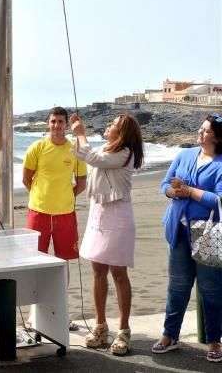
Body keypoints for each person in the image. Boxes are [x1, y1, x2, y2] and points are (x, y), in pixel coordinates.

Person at [71, 113, 144, 356]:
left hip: (118, 216)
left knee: (118, 272)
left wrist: (81, 133)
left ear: (122, 133)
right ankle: (100, 326)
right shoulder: (107, 150)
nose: (108, 125)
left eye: (113, 124)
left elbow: (91, 157)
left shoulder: (125, 154)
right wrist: (75, 135)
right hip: (99, 214)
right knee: (97, 270)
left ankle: (123, 329)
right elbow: (84, 154)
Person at [152, 113, 222, 363]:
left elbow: (219, 200)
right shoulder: (184, 155)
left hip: (207, 233)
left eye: (206, 130)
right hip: (179, 231)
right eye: (201, 129)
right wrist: (172, 191)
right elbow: (164, 184)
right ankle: (169, 335)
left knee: (211, 289)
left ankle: (215, 341)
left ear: (217, 137)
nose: (200, 133)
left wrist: (189, 191)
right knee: (177, 286)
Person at [22, 106, 87, 329]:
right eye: (53, 121)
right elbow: (26, 179)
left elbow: (81, 183)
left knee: (62, 263)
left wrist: (63, 198)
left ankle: (60, 310)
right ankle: (33, 314)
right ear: (47, 123)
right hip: (38, 212)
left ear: (67, 124)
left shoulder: (75, 150)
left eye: (61, 121)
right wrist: (43, 198)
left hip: (65, 215)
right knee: (35, 262)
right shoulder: (37, 147)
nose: (57, 125)